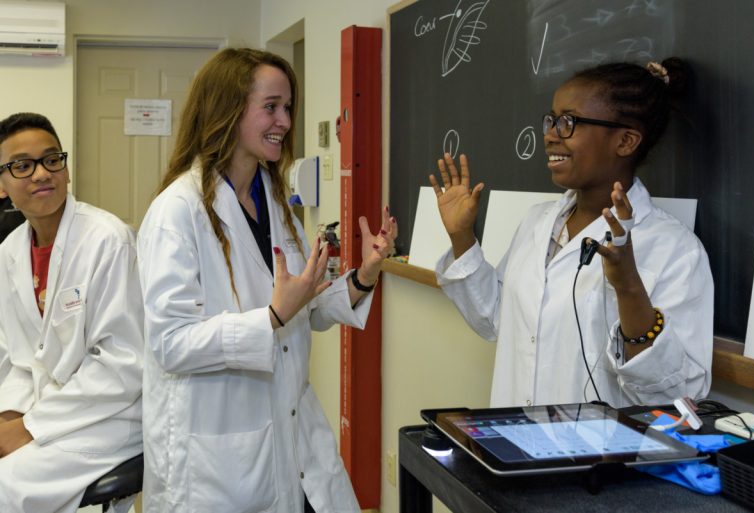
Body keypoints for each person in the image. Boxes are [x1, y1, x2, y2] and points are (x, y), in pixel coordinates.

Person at [137, 48, 396, 513]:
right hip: (219, 456)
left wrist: (364, 275)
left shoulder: (275, 203)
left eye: (288, 107)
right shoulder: (177, 211)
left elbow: (305, 309)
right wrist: (272, 317)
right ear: (228, 110)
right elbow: (170, 343)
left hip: (293, 430)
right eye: (271, 106)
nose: (285, 121)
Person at [429, 58, 713, 408]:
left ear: (625, 141)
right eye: (551, 120)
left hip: (600, 444)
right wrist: (462, 238)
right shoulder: (537, 221)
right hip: (513, 433)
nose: (550, 135)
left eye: (569, 122)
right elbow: (495, 319)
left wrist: (628, 286)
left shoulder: (674, 249)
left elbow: (677, 397)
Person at [0, 112, 144, 513]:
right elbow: (18, 358)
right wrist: (9, 417)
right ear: (2, 184)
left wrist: (29, 427)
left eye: (51, 160)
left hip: (109, 417)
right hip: (45, 409)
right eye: (22, 166)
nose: (41, 174)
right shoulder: (8, 254)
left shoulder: (108, 240)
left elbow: (123, 365)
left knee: (5, 488)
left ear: (65, 169)